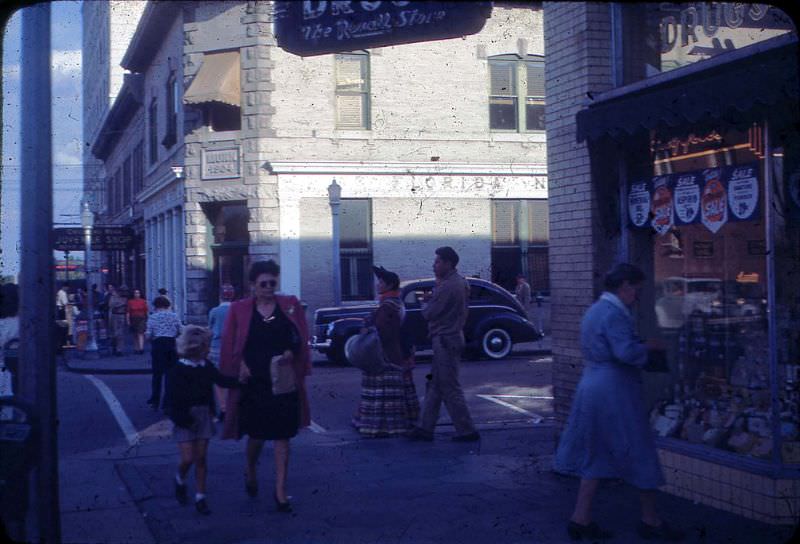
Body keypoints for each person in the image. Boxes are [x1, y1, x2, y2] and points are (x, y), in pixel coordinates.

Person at [553, 263, 684, 542]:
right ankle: (650, 520)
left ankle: (580, 518)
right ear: (625, 285)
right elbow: (625, 352)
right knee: (640, 448)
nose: (637, 296)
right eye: (637, 289)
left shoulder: (595, 310)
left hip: (592, 385)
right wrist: (649, 346)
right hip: (615, 389)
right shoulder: (615, 314)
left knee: (597, 451)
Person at [219, 260, 311, 513]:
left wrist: (291, 351)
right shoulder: (239, 309)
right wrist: (240, 366)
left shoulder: (289, 305)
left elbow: (299, 336)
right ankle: (251, 468)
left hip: (282, 379)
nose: (269, 287)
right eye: (264, 284)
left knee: (283, 436)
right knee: (257, 435)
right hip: (255, 381)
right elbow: (231, 344)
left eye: (272, 283)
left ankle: (280, 490)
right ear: (253, 285)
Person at [166, 325, 242, 516]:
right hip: (184, 417)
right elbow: (171, 401)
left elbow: (222, 380)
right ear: (196, 348)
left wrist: (242, 380)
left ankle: (201, 497)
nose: (209, 349)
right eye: (206, 346)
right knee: (188, 458)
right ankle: (180, 478)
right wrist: (183, 419)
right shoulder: (177, 370)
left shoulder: (205, 366)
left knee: (201, 458)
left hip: (203, 415)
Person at [408, 246, 479, 442]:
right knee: (435, 385)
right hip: (449, 338)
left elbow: (429, 313)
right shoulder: (458, 282)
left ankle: (467, 430)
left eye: (438, 262)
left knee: (449, 386)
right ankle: (425, 428)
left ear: (448, 264)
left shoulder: (448, 286)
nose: (434, 265)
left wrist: (425, 302)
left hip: (445, 340)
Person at [352, 266, 419, 438]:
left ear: (389, 285)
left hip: (385, 355)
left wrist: (368, 327)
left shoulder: (387, 306)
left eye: (381, 282)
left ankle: (381, 426)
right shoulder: (396, 303)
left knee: (381, 391)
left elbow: (382, 332)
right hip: (397, 353)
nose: (378, 285)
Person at [146, 296, 182, 410]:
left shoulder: (153, 317)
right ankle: (167, 403)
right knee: (170, 375)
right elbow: (180, 330)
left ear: (156, 306)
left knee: (157, 374)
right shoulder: (174, 316)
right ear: (167, 305)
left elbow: (148, 334)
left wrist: (151, 339)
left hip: (158, 344)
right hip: (171, 344)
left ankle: (155, 401)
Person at [208, 283, 235, 422]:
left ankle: (223, 408)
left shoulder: (214, 311)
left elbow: (210, 328)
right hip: (233, 347)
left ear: (220, 296)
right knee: (232, 377)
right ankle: (232, 406)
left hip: (216, 347)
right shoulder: (237, 310)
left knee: (218, 379)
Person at [108, 284, 128, 356]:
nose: (124, 292)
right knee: (115, 333)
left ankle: (119, 350)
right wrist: (121, 304)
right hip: (115, 315)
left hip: (122, 315)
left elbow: (126, 305)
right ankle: (114, 347)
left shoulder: (125, 297)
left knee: (121, 334)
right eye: (123, 291)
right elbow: (111, 305)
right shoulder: (114, 296)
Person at [127, 288, 149, 354]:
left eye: (138, 293)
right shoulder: (130, 302)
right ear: (133, 294)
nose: (137, 294)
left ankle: (141, 348)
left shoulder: (143, 301)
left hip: (141, 318)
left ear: (140, 294)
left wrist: (147, 319)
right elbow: (128, 312)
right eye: (135, 293)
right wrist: (128, 320)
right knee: (135, 334)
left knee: (140, 333)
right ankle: (136, 348)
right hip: (133, 318)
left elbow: (146, 311)